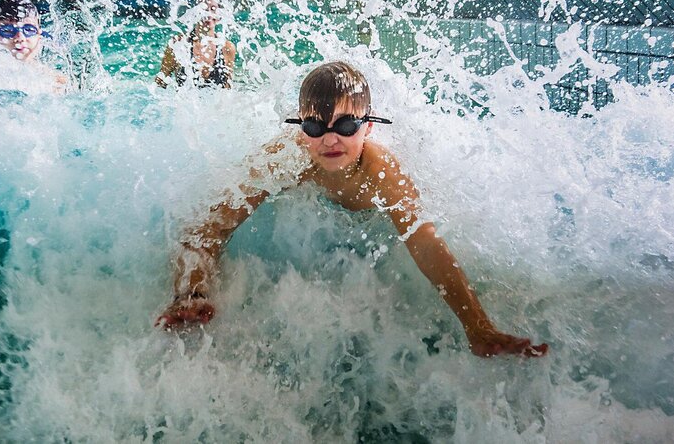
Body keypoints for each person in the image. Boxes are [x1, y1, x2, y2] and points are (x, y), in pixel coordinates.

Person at [156, 61, 548, 358]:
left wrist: (477, 326)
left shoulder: (380, 170)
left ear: (369, 127)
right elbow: (210, 225)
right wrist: (190, 293)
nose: (329, 140)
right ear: (300, 128)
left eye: (345, 126)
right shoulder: (286, 158)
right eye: (314, 127)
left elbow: (424, 241)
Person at [0, 0, 67, 90]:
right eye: (7, 31)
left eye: (29, 30)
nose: (20, 38)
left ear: (39, 36)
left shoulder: (58, 82)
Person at [155, 0, 237, 89]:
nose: (209, 14)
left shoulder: (227, 48)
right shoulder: (179, 44)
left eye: (213, 9)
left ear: (219, 16)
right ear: (195, 13)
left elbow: (228, 88)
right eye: (204, 10)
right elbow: (161, 83)